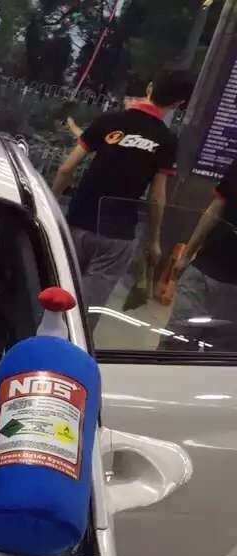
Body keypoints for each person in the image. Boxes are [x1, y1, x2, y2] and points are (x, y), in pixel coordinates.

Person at [51, 68, 194, 308]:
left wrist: (51, 204)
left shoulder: (110, 121)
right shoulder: (167, 141)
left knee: (55, 293)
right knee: (85, 310)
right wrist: (153, 240)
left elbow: (66, 169)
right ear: (179, 103)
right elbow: (156, 196)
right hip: (117, 235)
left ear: (149, 88)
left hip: (77, 221)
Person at [166, 158, 237, 350]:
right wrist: (186, 255)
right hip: (205, 270)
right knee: (176, 343)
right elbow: (216, 207)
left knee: (219, 354)